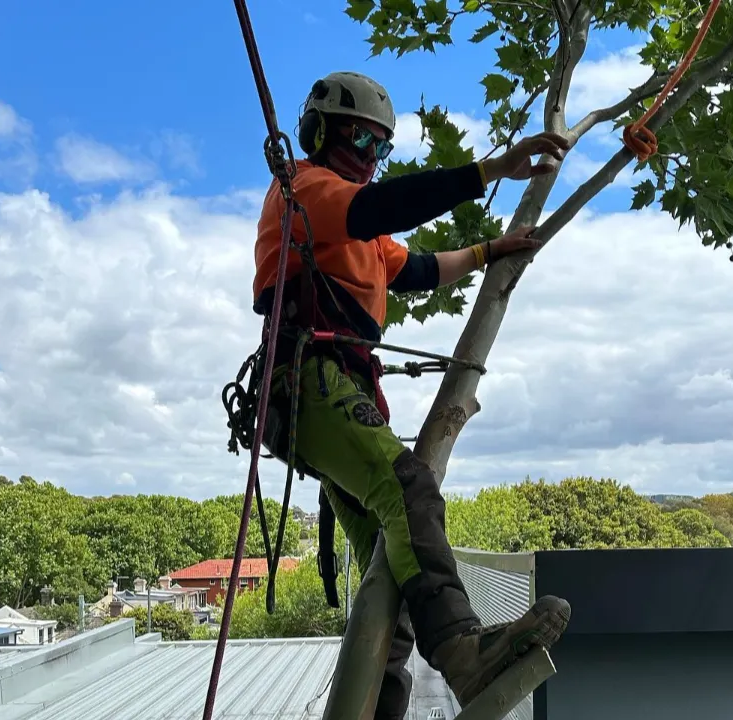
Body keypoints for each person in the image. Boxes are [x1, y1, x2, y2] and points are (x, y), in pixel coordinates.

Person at [252, 70, 572, 718]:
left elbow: (421, 268)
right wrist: (488, 172)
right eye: (359, 144)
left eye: (381, 150)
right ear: (319, 135)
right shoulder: (307, 190)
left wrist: (490, 251)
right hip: (310, 382)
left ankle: (376, 708)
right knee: (409, 490)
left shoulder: (362, 235)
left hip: (334, 388)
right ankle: (462, 653)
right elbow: (385, 207)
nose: (370, 161)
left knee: (389, 567)